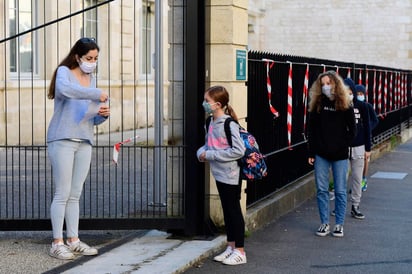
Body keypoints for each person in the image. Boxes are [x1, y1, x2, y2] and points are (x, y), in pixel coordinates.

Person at [47, 37, 110, 260]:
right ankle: (57, 242)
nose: (92, 62)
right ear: (78, 56)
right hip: (62, 138)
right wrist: (96, 94)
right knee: (62, 193)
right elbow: (66, 91)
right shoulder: (64, 72)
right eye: (88, 58)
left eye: (95, 59)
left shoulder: (91, 79)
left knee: (75, 194)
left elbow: (89, 116)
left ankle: (73, 240)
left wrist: (102, 115)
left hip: (84, 140)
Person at [196, 86, 247, 265]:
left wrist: (210, 155)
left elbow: (238, 151)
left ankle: (240, 250)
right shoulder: (209, 122)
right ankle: (231, 246)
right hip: (219, 173)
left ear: (217, 104)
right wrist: (201, 152)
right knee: (226, 210)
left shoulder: (229, 124)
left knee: (233, 211)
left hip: (231, 175)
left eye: (207, 101)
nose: (204, 104)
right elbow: (209, 144)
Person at [307, 71, 356, 238]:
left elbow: (353, 130)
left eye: (328, 83)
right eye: (323, 84)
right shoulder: (318, 103)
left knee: (341, 190)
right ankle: (324, 223)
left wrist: (342, 145)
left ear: (336, 84)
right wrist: (312, 151)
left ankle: (339, 224)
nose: (326, 86)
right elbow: (311, 130)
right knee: (321, 190)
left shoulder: (345, 104)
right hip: (321, 153)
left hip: (340, 154)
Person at [344, 79, 371, 219]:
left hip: (359, 147)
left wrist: (368, 148)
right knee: (342, 178)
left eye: (350, 92)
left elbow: (367, 127)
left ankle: (355, 205)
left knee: (357, 177)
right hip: (343, 147)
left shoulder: (362, 106)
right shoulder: (340, 105)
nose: (349, 94)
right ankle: (340, 206)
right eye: (345, 92)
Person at [355, 84, 379, 191]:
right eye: (358, 94)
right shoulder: (354, 106)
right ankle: (357, 183)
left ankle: (363, 180)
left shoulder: (367, 106)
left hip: (366, 137)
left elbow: (375, 120)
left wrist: (368, 128)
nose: (360, 95)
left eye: (361, 94)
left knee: (365, 159)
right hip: (357, 138)